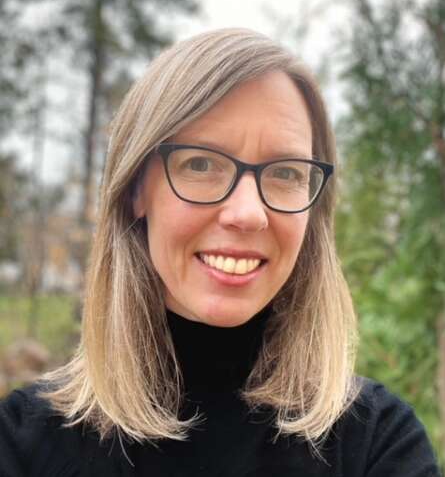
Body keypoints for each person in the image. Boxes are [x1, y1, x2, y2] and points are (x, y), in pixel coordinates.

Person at [0, 28, 441, 477]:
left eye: (286, 172)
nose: (248, 214)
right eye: (201, 164)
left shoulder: (378, 444)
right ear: (136, 188)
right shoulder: (23, 443)